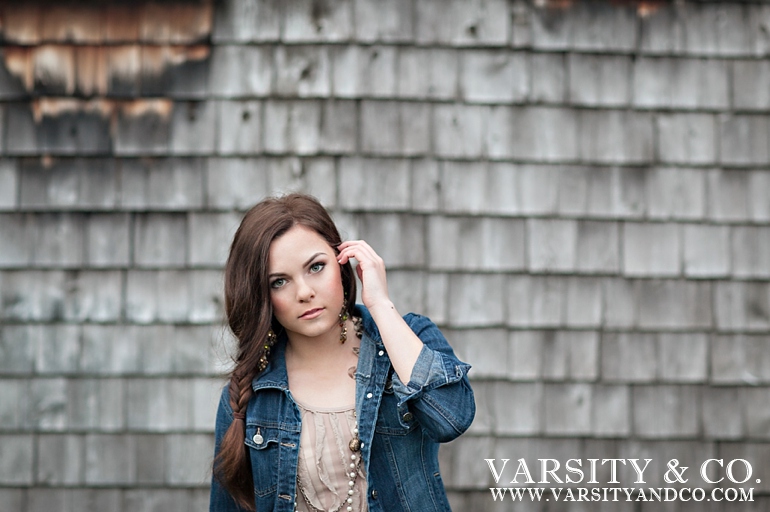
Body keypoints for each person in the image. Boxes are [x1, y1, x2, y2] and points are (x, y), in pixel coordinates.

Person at [210, 193, 475, 512]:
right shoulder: (248, 396)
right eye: (279, 282)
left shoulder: (408, 339)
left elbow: (451, 420)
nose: (305, 292)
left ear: (342, 261)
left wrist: (379, 305)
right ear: (261, 295)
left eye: (316, 267)